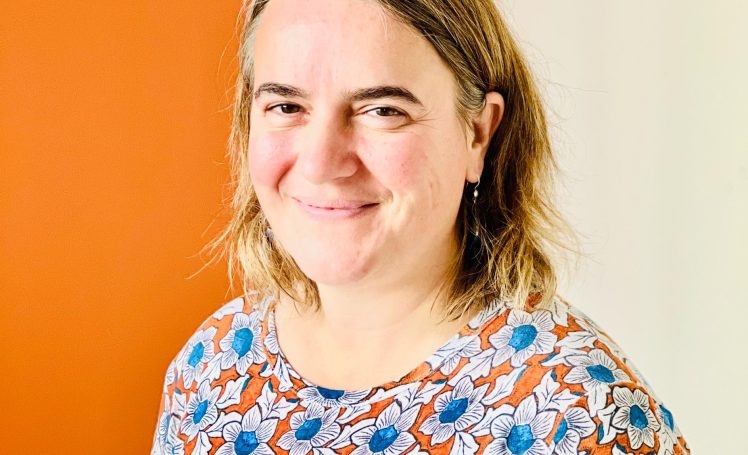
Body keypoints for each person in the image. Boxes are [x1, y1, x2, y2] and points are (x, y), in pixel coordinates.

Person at [151, 0, 690, 453]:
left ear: (477, 134)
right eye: (286, 105)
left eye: (383, 110)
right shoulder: (213, 366)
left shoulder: (575, 414)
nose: (320, 163)